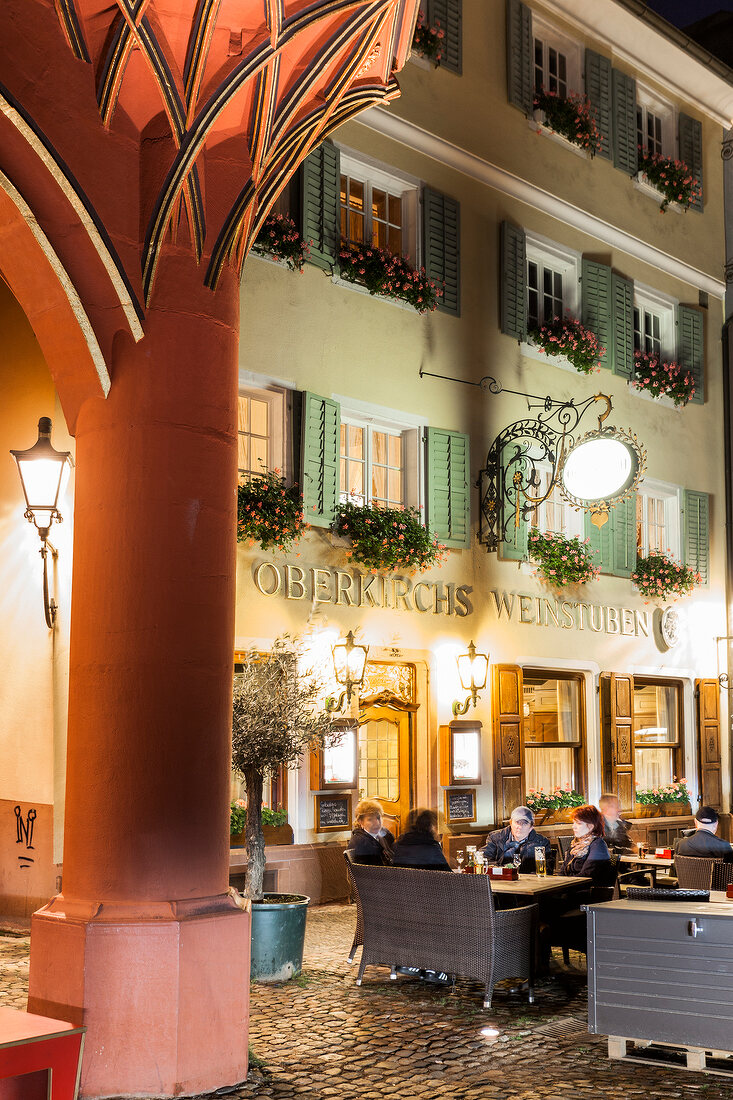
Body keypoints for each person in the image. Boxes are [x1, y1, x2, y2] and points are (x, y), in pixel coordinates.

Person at [480, 806, 552, 873]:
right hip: (503, 880)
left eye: (524, 823)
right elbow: (484, 860)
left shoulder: (542, 842)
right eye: (517, 822)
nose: (520, 827)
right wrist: (504, 870)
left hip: (529, 883)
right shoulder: (496, 838)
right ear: (511, 823)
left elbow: (548, 869)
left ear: (531, 827)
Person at [559, 804, 612, 886]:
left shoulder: (598, 845)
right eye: (573, 823)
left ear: (591, 827)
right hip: (571, 888)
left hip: (588, 893)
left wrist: (562, 885)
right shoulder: (575, 844)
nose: (573, 827)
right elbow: (562, 871)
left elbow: (587, 875)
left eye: (579, 823)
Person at [349, 799, 394, 865]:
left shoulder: (386, 834)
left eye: (378, 818)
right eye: (370, 819)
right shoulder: (359, 842)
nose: (377, 823)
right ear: (360, 821)